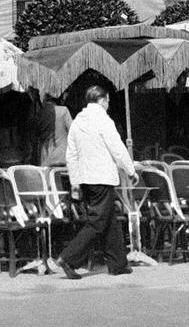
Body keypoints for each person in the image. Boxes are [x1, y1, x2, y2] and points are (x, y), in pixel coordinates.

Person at [57, 85, 137, 280]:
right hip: (102, 176)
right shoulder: (103, 119)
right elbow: (117, 147)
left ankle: (118, 263)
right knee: (97, 222)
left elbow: (72, 154)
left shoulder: (78, 121)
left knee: (109, 219)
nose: (108, 105)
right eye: (108, 101)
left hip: (86, 178)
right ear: (103, 100)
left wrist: (75, 181)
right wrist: (131, 169)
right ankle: (68, 258)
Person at [37, 94, 73, 166]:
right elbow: (72, 131)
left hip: (46, 157)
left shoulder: (40, 112)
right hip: (62, 155)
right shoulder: (63, 110)